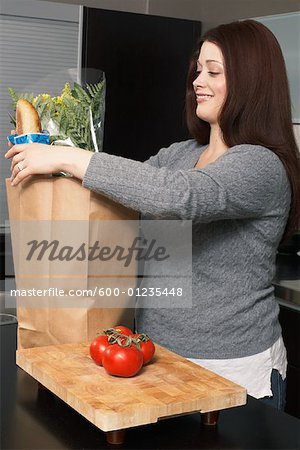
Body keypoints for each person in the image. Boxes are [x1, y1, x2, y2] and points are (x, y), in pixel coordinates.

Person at [5, 19, 300, 410]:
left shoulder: (260, 165)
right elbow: (124, 193)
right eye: (198, 70)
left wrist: (69, 156)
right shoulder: (182, 154)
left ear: (252, 83)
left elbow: (180, 197)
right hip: (159, 362)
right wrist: (52, 158)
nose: (198, 81)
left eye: (214, 71)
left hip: (233, 370)